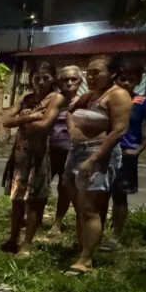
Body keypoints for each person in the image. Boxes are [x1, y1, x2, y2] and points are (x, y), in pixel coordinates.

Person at [63, 55, 133, 275]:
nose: (90, 77)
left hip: (98, 155)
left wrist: (93, 159)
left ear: (112, 73)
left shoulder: (118, 95)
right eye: (88, 72)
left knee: (90, 209)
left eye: (96, 73)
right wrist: (73, 130)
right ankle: (83, 247)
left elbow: (118, 130)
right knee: (80, 207)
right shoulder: (90, 95)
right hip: (77, 153)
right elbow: (68, 111)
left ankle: (86, 260)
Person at [0, 62, 63, 257]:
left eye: (46, 77)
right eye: (37, 77)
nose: (41, 81)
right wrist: (28, 118)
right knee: (17, 198)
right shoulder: (26, 98)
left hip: (39, 155)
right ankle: (13, 238)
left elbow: (44, 125)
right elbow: (6, 121)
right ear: (31, 78)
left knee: (35, 200)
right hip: (20, 155)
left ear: (53, 79)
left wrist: (22, 119)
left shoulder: (56, 98)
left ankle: (27, 243)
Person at [102, 58, 146, 251]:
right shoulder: (106, 98)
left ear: (138, 81)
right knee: (100, 194)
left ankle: (115, 236)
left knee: (120, 197)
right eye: (122, 79)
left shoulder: (141, 101)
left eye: (131, 79)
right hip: (104, 152)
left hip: (126, 154)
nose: (126, 83)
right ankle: (96, 231)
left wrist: (139, 149)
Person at [45, 65, 83, 238]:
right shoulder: (53, 100)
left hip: (72, 152)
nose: (69, 82)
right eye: (65, 79)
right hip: (50, 150)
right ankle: (35, 219)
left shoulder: (84, 101)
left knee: (65, 188)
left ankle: (57, 223)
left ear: (80, 81)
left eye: (73, 79)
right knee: (41, 186)